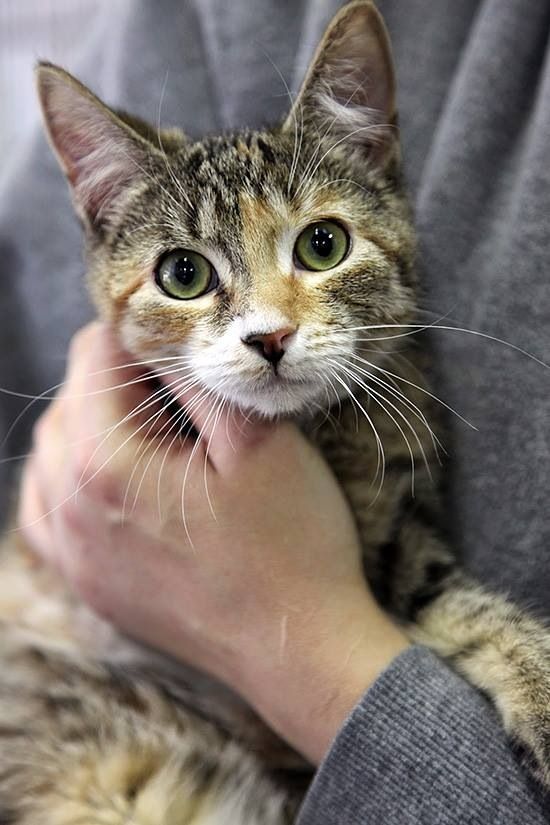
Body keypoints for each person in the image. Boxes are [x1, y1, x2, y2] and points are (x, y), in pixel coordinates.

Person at [1, 0, 549, 821]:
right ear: (102, 219)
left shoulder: (395, 409)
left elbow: (403, 588)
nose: (269, 325)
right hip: (69, 715)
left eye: (318, 246)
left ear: (378, 162)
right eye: (186, 274)